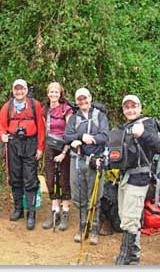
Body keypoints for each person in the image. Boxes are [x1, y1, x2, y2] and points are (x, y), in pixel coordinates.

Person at [114, 95, 160, 265]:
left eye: (133, 106)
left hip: (139, 179)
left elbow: (158, 146)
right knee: (125, 217)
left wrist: (142, 134)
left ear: (140, 107)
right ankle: (131, 254)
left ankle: (128, 259)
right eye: (127, 107)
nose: (130, 110)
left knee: (130, 220)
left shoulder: (147, 124)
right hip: (125, 178)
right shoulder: (125, 128)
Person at [0, 79, 45, 230]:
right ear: (13, 90)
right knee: (15, 176)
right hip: (13, 143)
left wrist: (40, 148)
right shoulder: (8, 106)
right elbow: (1, 126)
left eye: (22, 89)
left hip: (30, 143)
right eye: (16, 89)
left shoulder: (34, 105)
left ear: (26, 90)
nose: (19, 92)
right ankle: (18, 209)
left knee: (30, 178)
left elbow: (41, 127)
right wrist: (3, 135)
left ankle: (31, 213)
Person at [64, 87, 109, 245]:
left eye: (85, 98)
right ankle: (83, 227)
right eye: (79, 99)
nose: (83, 101)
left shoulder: (100, 116)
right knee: (79, 194)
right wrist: (80, 137)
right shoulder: (74, 118)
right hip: (78, 159)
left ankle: (95, 228)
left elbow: (105, 135)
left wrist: (93, 139)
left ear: (90, 98)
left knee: (95, 195)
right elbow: (67, 136)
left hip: (96, 159)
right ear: (76, 101)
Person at [41, 82, 73, 231]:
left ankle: (65, 211)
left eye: (56, 92)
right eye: (51, 92)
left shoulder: (66, 110)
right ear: (48, 93)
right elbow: (43, 131)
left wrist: (64, 152)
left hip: (63, 148)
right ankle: (55, 211)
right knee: (50, 178)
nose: (53, 94)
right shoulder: (45, 110)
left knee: (63, 179)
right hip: (49, 148)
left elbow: (70, 132)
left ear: (60, 94)